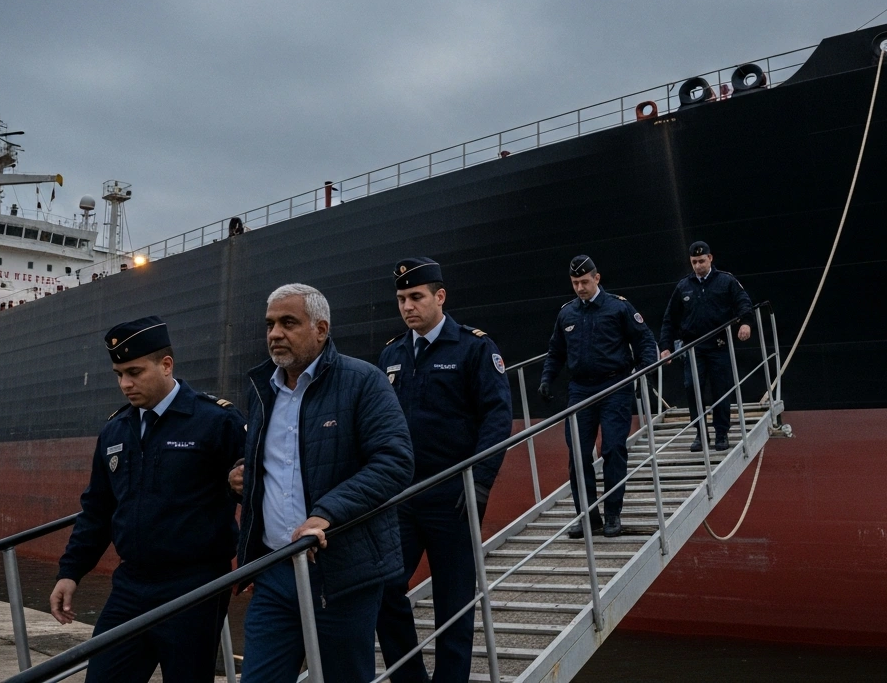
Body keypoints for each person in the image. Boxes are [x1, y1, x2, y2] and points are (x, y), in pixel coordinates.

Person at [228, 283, 414, 683]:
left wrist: (325, 515)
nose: (275, 333)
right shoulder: (263, 389)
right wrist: (244, 473)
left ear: (321, 328)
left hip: (342, 574)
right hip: (274, 571)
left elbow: (395, 462)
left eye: (288, 322)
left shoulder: (363, 381)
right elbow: (284, 459)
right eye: (270, 324)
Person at [50, 316, 246, 683]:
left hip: (195, 586)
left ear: (166, 364)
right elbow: (98, 509)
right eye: (118, 374)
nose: (125, 383)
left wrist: (256, 561)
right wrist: (70, 571)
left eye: (135, 372)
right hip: (131, 585)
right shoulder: (115, 429)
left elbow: (257, 488)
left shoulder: (216, 421)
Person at [376, 258, 512, 683]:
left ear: (440, 297)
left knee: (454, 601)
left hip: (453, 493)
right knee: (383, 587)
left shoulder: (473, 347)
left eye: (416, 297)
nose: (407, 306)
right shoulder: (392, 353)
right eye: (401, 299)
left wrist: (481, 481)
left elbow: (496, 417)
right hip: (401, 495)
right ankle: (411, 676)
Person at [539, 255, 657, 538]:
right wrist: (546, 378)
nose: (579, 287)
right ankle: (588, 516)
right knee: (578, 455)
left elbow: (643, 339)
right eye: (575, 282)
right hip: (580, 390)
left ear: (597, 278)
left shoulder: (618, 307)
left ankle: (613, 513)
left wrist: (644, 371)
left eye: (584, 281)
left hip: (615, 385)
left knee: (613, 449)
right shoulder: (567, 313)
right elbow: (556, 351)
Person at [658, 241, 753, 453]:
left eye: (702, 261)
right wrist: (665, 346)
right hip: (693, 349)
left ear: (710, 258)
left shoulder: (726, 281)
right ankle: (700, 433)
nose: (698, 265)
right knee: (692, 387)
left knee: (720, 389)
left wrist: (746, 322)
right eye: (694, 262)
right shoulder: (683, 286)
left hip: (718, 346)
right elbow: (669, 319)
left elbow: (743, 302)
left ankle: (721, 433)